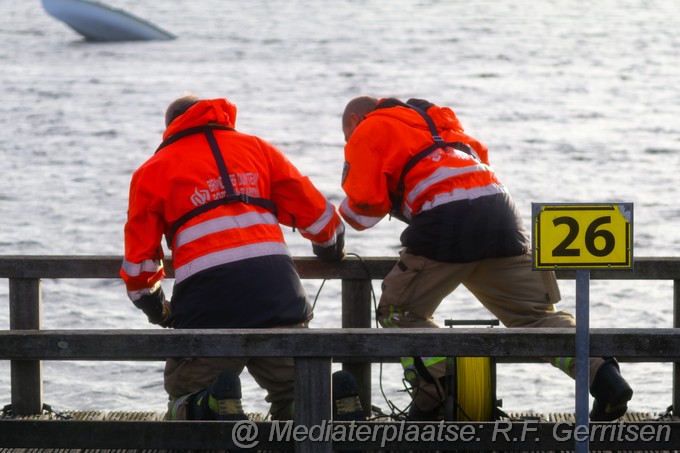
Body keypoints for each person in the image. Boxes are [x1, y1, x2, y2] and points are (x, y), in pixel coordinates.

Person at [339, 96, 633, 421]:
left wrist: (331, 239)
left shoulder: (369, 128)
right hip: (501, 213)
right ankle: (604, 377)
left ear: (355, 119)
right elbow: (468, 172)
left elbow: (363, 209)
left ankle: (436, 393)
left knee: (398, 311)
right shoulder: (440, 123)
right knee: (534, 317)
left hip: (445, 221)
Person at [120, 95, 361, 421]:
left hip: (209, 302)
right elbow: (319, 217)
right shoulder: (257, 148)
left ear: (171, 127)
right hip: (277, 293)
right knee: (294, 390)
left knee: (185, 394)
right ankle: (327, 401)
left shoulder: (152, 171)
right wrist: (331, 250)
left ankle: (210, 404)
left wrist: (157, 309)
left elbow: (139, 268)